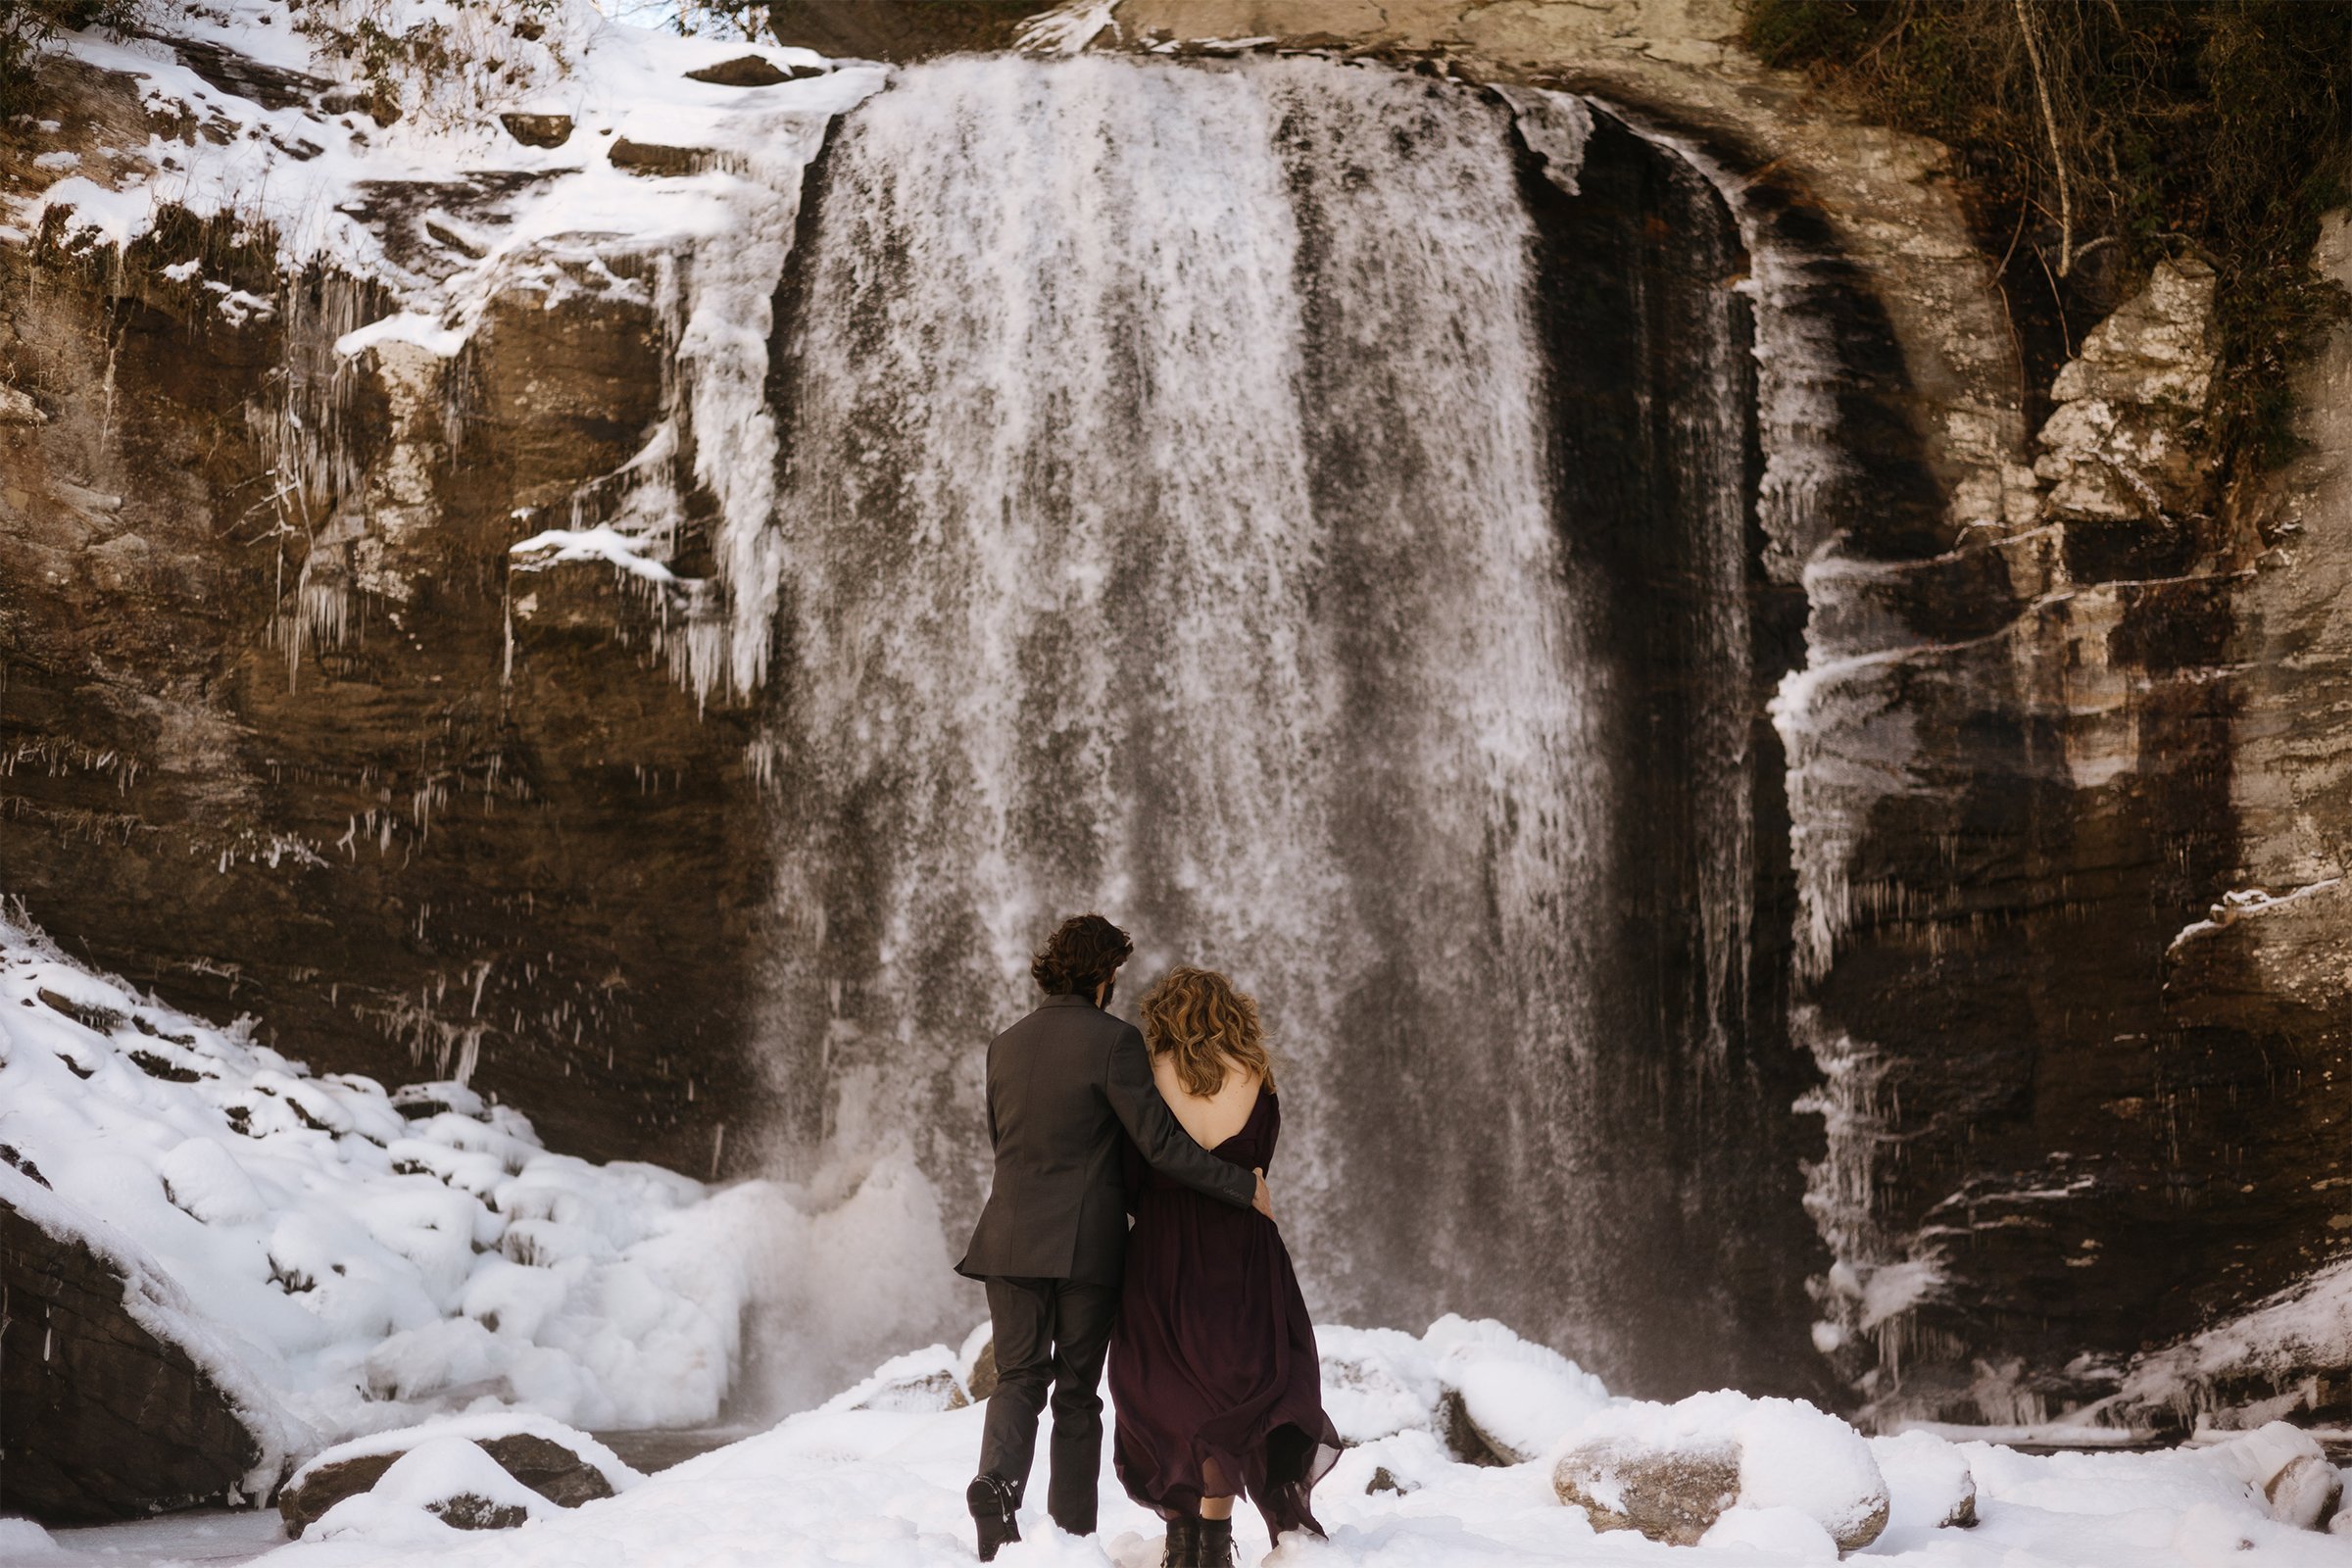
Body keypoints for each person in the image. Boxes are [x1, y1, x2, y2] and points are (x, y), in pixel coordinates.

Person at [957, 915, 1276, 1562]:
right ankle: (1071, 1540)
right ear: (1105, 975)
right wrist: (1242, 1187)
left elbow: (1005, 1145)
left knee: (1018, 1378)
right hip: (1086, 1246)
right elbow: (1158, 1145)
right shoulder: (1115, 1042)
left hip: (1009, 1237)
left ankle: (997, 1486)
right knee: (1076, 1394)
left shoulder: (1004, 1044)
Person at [1111, 966, 1340, 1568]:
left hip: (1163, 1247)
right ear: (1231, 1013)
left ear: (1162, 1017)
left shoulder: (1146, 1079)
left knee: (1163, 1383)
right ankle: (1213, 1538)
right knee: (1241, 1382)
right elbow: (1261, 1164)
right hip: (1242, 1246)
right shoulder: (1257, 1077)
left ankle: (1185, 1537)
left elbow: (1132, 1175)